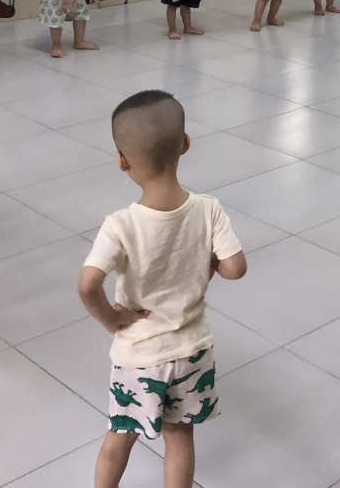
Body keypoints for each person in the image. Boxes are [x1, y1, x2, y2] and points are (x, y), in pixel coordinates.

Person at [79, 90, 246, 488]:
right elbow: (236, 268)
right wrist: (208, 266)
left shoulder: (120, 224)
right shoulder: (208, 209)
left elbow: (87, 285)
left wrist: (113, 320)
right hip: (192, 351)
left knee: (120, 436)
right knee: (180, 436)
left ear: (121, 160)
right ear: (185, 144)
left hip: (139, 355)